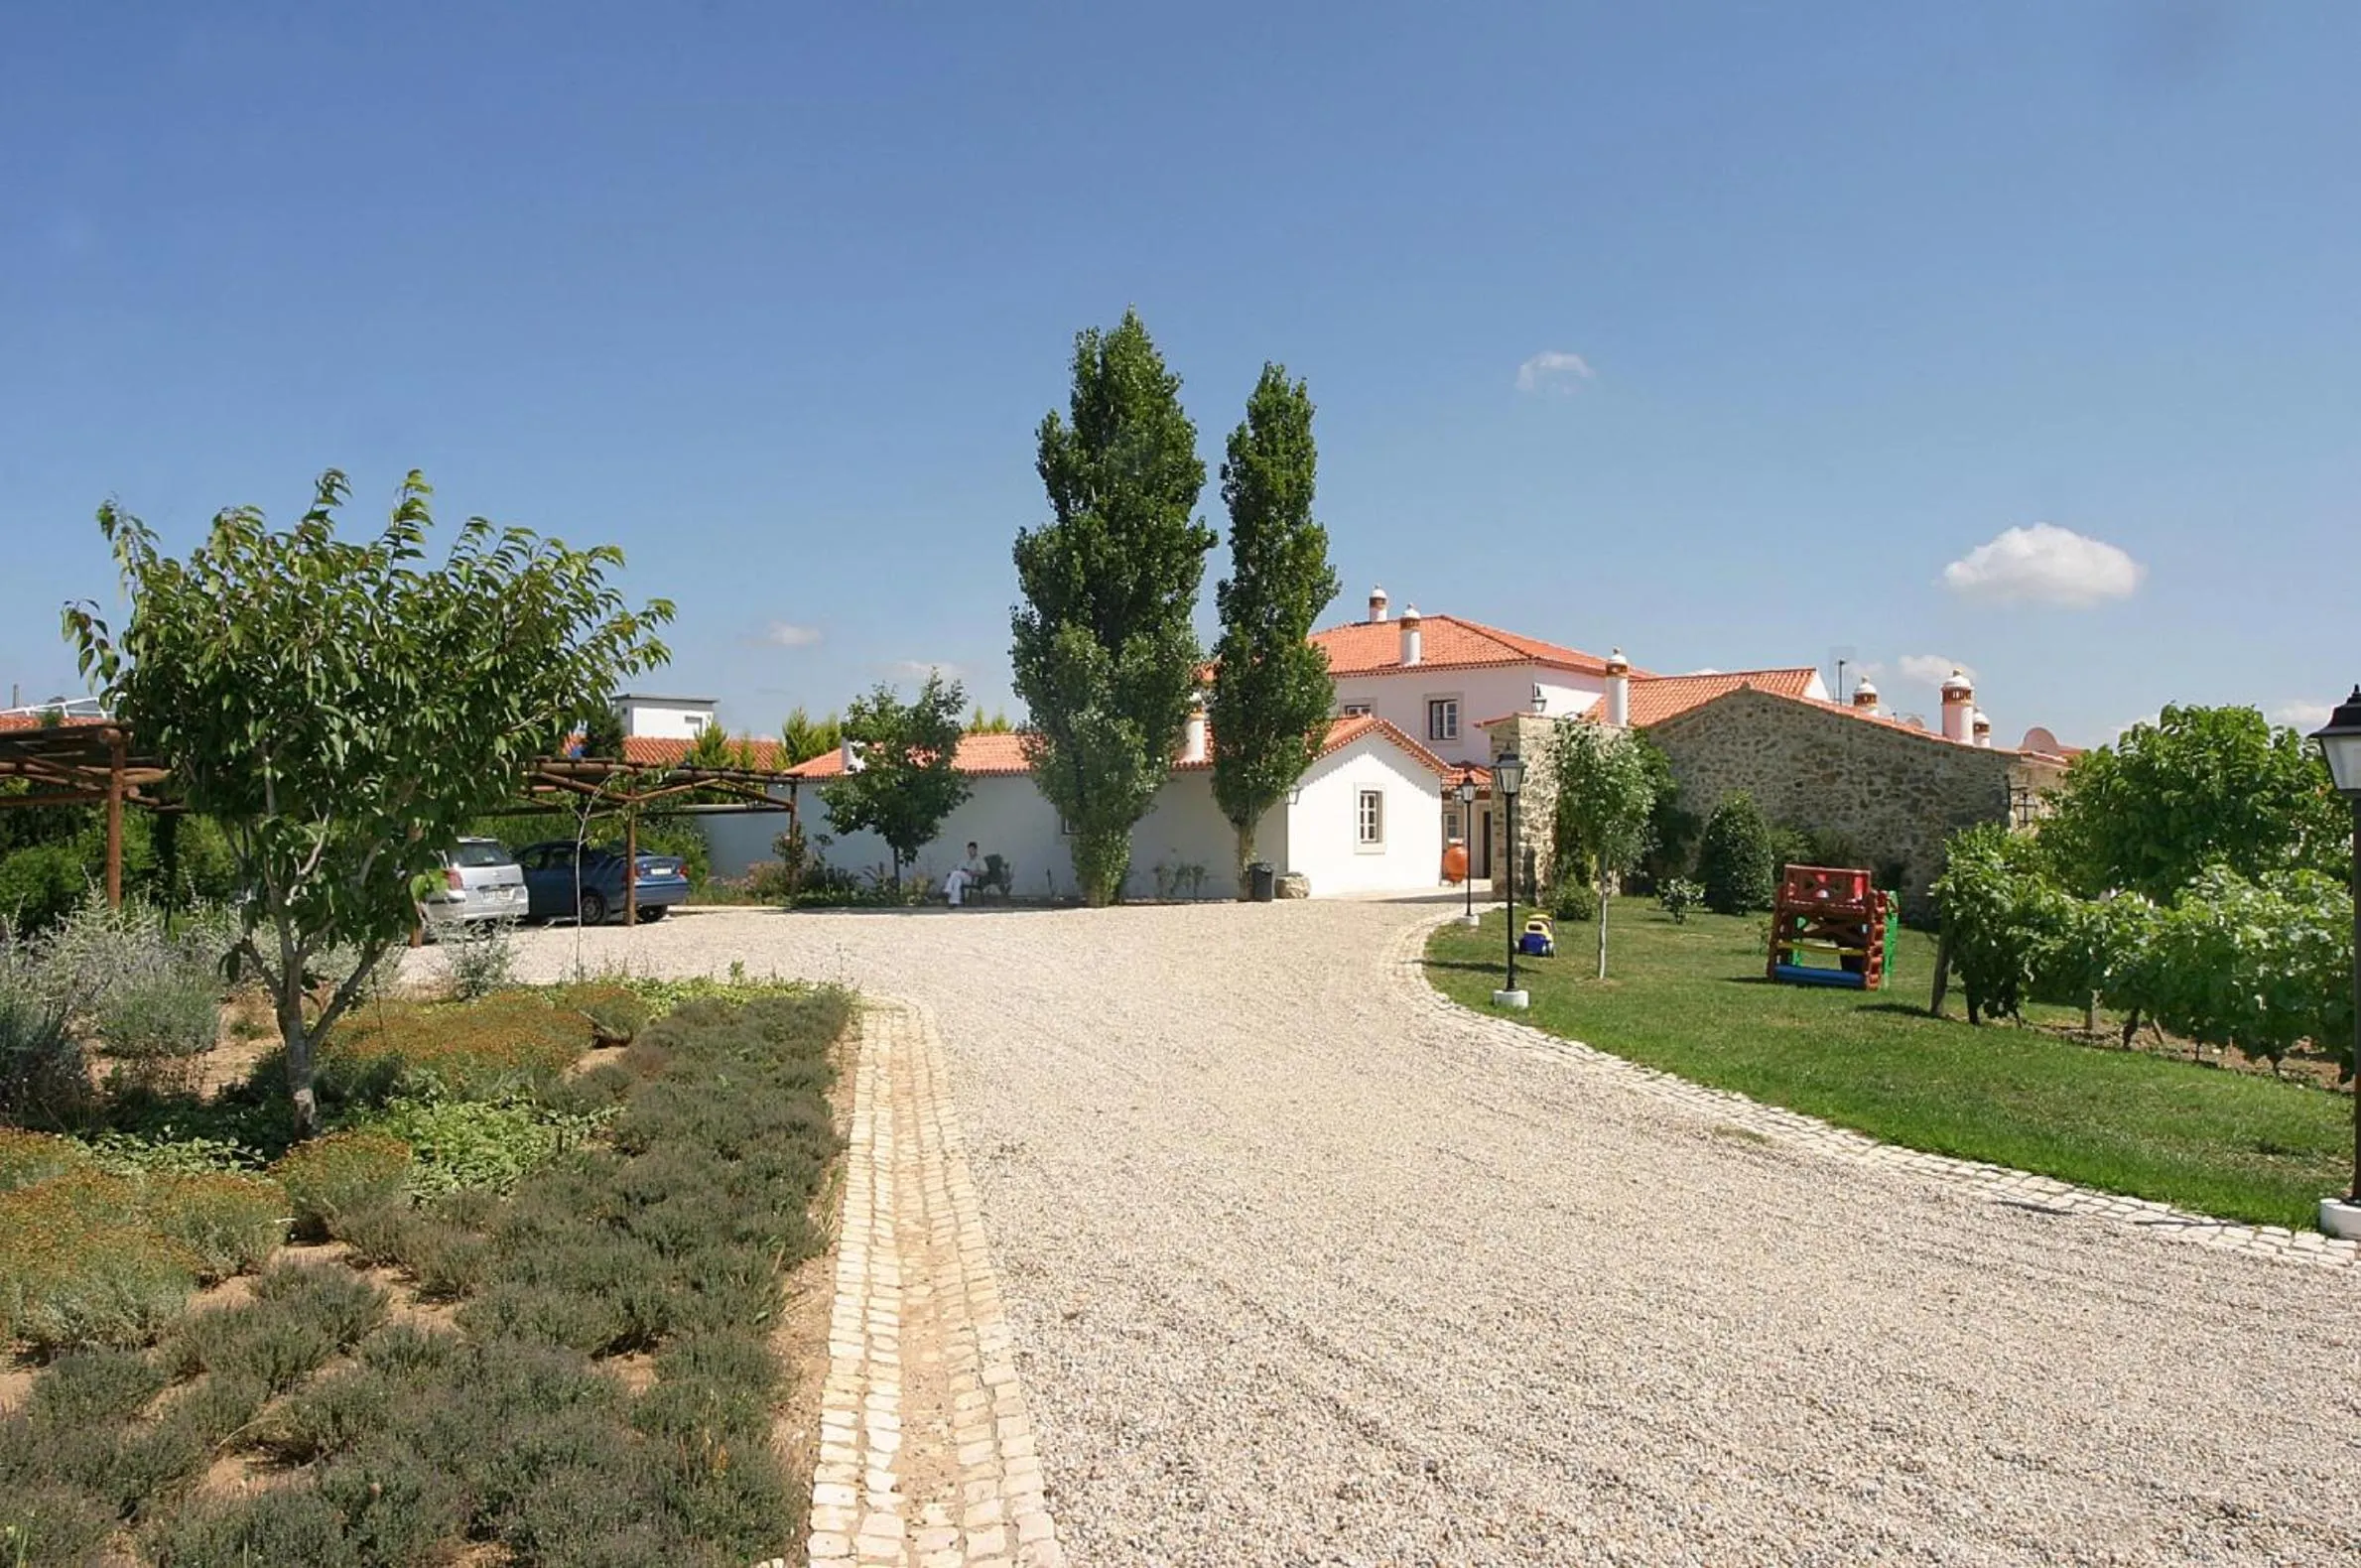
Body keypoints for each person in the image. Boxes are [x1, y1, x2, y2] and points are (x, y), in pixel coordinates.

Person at [945, 843, 986, 907]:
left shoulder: (980, 860)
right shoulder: (965, 860)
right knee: (957, 880)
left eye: (972, 850)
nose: (970, 852)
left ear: (976, 850)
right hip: (963, 876)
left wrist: (973, 872)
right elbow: (958, 868)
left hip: (972, 878)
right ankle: (954, 902)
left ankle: (948, 889)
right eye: (969, 850)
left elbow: (985, 872)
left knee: (955, 873)